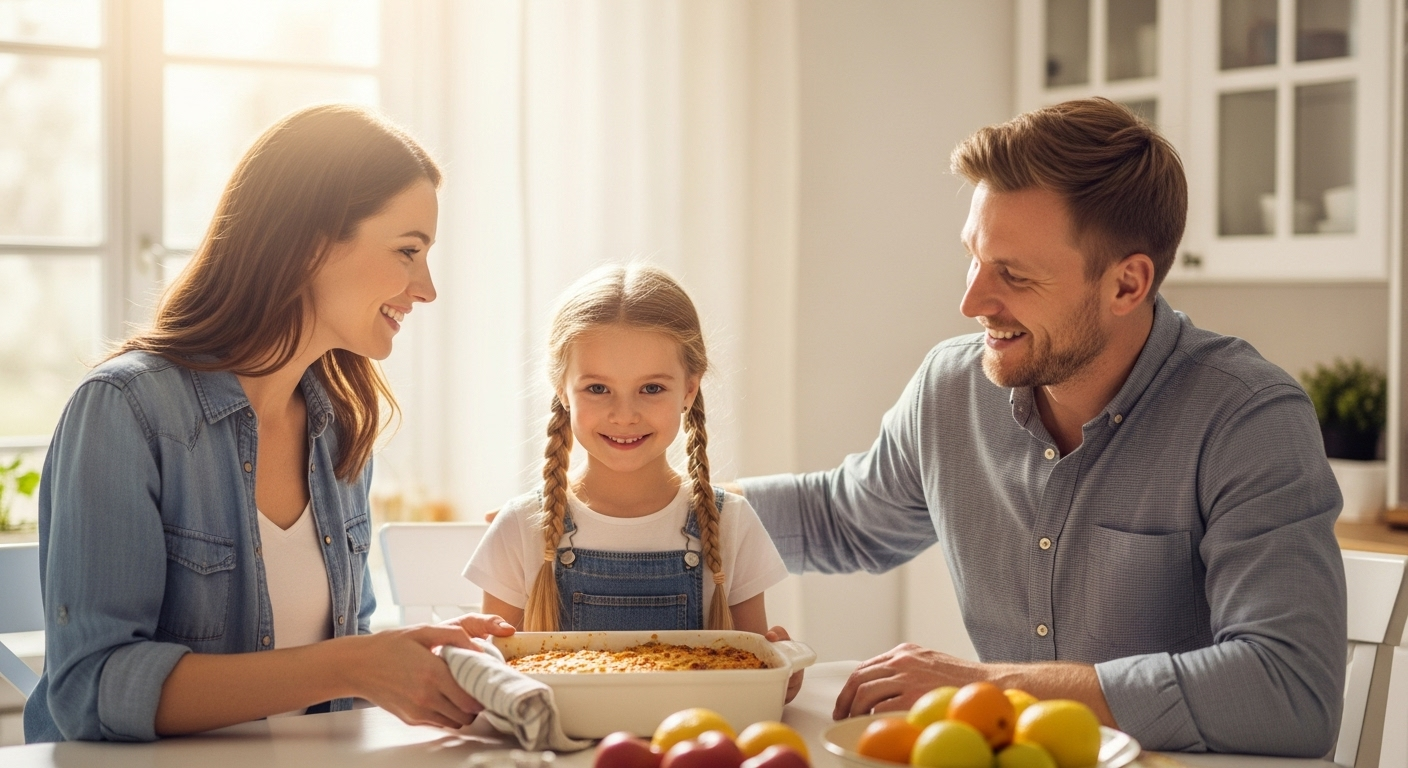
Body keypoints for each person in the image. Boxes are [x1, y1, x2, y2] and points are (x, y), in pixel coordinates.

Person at [735, 98, 1347, 756]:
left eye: (1014, 275)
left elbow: (1289, 690)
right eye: (974, 257)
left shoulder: (1247, 417)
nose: (971, 301)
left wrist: (991, 688)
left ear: (1126, 284)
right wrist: (658, 503)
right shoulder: (951, 388)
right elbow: (840, 516)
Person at [26, 104, 512, 743]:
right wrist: (353, 666)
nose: (426, 288)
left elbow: (332, 675)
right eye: (407, 251)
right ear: (310, 242)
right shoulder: (127, 410)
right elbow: (91, 689)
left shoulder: (341, 425)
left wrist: (410, 663)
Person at [466, 264, 790, 636]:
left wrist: (776, 671)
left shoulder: (732, 524)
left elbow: (748, 671)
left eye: (651, 388)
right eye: (598, 389)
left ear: (688, 390)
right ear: (561, 390)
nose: (624, 416)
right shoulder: (521, 527)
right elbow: (497, 677)